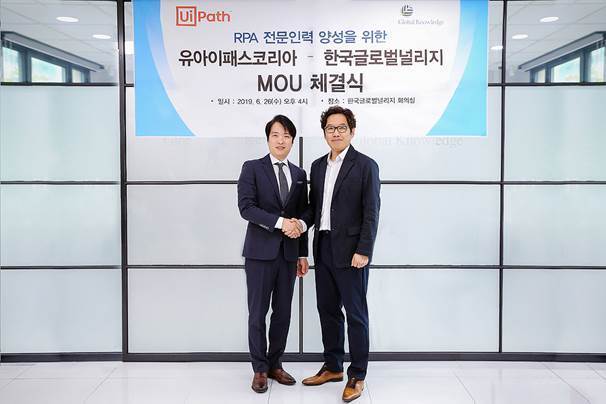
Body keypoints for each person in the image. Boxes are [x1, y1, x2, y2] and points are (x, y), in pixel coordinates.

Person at [300, 106, 380, 402]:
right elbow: (314, 208)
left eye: (341, 127)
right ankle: (333, 366)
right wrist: (300, 224)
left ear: (352, 131)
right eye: (330, 128)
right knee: (328, 310)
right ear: (324, 133)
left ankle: (357, 374)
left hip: (351, 253)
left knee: (356, 315)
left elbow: (371, 212)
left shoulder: (366, 165)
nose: (336, 132)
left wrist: (364, 250)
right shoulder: (318, 166)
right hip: (323, 248)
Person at [237, 114, 310, 393]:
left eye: (287, 136)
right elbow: (246, 208)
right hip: (259, 254)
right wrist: (280, 223)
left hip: (288, 255)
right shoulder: (252, 168)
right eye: (276, 135)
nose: (281, 141)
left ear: (292, 140)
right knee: (257, 313)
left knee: (283, 313)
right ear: (268, 139)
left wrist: (302, 254)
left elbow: (302, 214)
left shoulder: (299, 174)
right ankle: (259, 368)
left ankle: (275, 363)